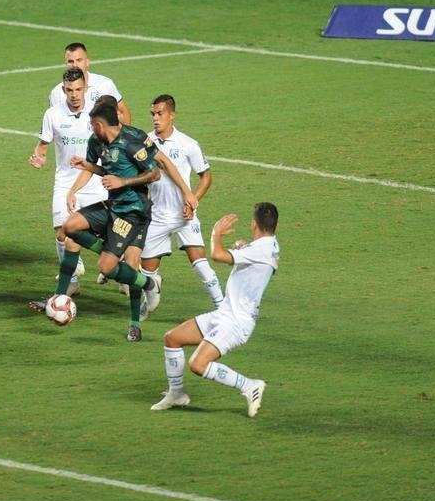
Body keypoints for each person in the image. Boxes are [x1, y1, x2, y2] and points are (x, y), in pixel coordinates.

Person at [58, 96, 197, 342]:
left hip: (135, 212)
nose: (91, 130)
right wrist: (88, 167)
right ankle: (125, 268)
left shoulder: (133, 141)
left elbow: (154, 173)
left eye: (92, 125)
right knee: (69, 227)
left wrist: (123, 182)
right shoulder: (97, 142)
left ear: (101, 124)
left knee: (125, 265)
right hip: (112, 205)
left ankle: (137, 315)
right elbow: (105, 169)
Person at [150, 203, 279, 418]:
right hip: (225, 314)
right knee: (172, 338)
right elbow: (250, 264)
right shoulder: (269, 246)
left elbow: (217, 255)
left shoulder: (260, 249)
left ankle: (249, 385)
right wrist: (241, 250)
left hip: (236, 322)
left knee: (198, 364)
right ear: (276, 225)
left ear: (253, 224)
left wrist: (215, 234)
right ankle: (176, 394)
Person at [27, 68, 107, 308]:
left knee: (108, 234)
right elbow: (42, 145)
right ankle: (71, 281)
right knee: (62, 232)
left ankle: (115, 266)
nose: (74, 95)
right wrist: (39, 157)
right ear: (63, 90)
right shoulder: (52, 114)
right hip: (65, 181)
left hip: (95, 181)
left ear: (85, 89)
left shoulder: (96, 113)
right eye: (69, 90)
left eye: (78, 89)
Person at [138, 94, 222, 321]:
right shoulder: (144, 142)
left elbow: (206, 176)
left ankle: (222, 307)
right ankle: (149, 299)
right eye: (153, 114)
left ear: (172, 115)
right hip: (156, 216)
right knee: (146, 272)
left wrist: (193, 199)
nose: (155, 119)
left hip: (185, 215)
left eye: (160, 114)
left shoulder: (188, 144)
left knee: (201, 265)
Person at [47, 42, 131, 125]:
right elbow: (53, 123)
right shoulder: (56, 93)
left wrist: (124, 137)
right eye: (70, 61)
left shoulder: (104, 84)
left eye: (79, 60)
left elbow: (123, 112)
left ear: (87, 62)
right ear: (66, 64)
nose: (75, 65)